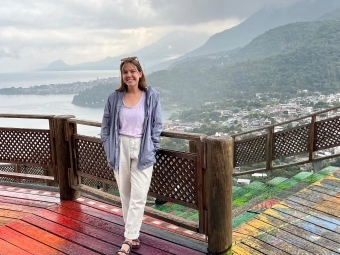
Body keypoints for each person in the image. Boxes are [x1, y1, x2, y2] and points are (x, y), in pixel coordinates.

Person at [101, 56, 162, 255]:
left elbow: (156, 125)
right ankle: (132, 235)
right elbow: (106, 125)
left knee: (139, 194)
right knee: (125, 193)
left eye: (132, 71)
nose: (129, 75)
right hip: (120, 147)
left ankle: (128, 239)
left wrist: (153, 146)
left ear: (140, 73)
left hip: (143, 147)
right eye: (125, 72)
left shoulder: (151, 96)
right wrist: (108, 145)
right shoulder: (114, 98)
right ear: (122, 76)